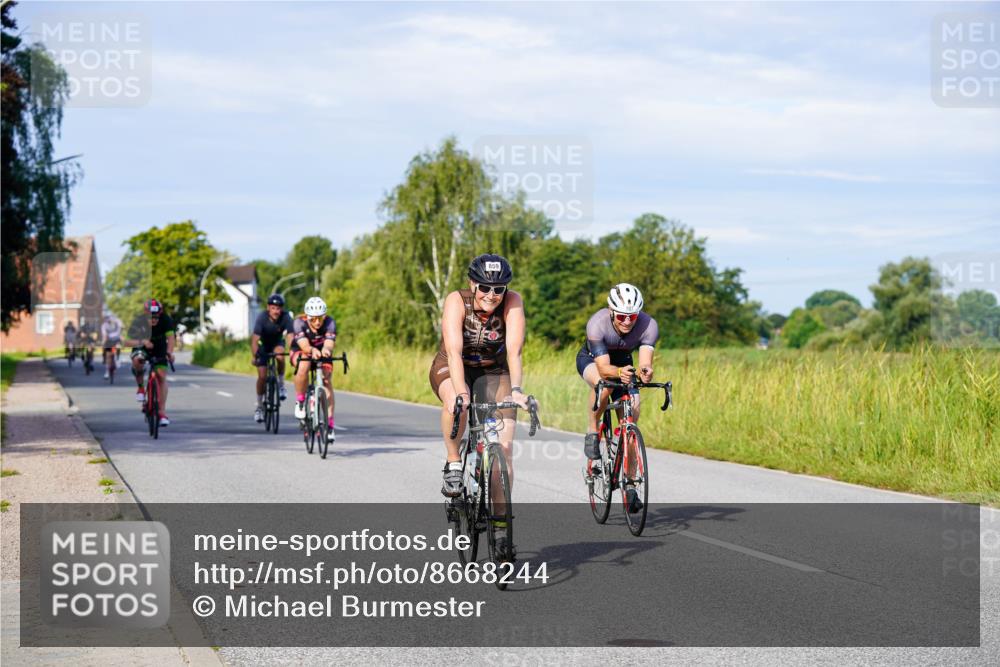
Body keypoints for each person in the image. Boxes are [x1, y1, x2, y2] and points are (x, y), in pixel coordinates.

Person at [429, 253, 529, 499]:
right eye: (484, 287)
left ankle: (500, 522)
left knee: (504, 450)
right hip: (454, 365)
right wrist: (462, 393)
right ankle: (453, 462)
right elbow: (454, 353)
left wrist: (516, 391)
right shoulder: (457, 300)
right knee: (457, 404)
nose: (491, 295)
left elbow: (514, 353)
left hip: (494, 370)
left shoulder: (513, 301)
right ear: (472, 284)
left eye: (498, 289)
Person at [575, 283, 659, 510]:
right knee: (605, 385)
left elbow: (644, 361)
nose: (627, 321)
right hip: (594, 360)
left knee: (633, 410)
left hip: (623, 361)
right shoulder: (597, 324)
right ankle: (593, 430)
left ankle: (630, 486)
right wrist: (619, 373)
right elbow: (604, 368)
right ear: (612, 311)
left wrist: (645, 371)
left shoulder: (649, 325)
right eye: (621, 316)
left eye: (632, 316)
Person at [290, 296, 337, 444]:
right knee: (303, 365)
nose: (317, 322)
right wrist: (311, 350)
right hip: (301, 350)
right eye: (314, 319)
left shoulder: (330, 322)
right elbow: (304, 345)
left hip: (322, 352)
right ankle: (301, 401)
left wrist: (326, 350)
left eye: (320, 319)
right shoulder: (298, 323)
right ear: (307, 317)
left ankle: (329, 424)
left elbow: (329, 343)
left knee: (326, 380)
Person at [128, 299, 176, 427]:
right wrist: (143, 342)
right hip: (141, 346)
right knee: (138, 360)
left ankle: (161, 412)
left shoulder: (166, 320)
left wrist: (170, 352)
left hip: (159, 347)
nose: (154, 320)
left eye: (156, 317)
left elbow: (171, 338)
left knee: (161, 376)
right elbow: (127, 342)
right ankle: (141, 388)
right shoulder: (138, 321)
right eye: (150, 317)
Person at [250, 294, 293, 422]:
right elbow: (254, 341)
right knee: (262, 376)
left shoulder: (286, 317)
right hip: (263, 345)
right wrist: (256, 356)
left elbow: (290, 336)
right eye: (273, 308)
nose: (276, 311)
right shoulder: (262, 318)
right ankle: (259, 407)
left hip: (277, 343)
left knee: (280, 356)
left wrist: (293, 350)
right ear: (268, 307)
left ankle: (281, 384)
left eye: (279, 308)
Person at [101, 313, 123, 378]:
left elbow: (121, 327)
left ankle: (117, 359)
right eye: (107, 319)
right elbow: (105, 335)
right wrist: (103, 343)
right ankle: (107, 372)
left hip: (116, 339)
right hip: (109, 340)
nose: (110, 320)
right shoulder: (104, 325)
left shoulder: (117, 322)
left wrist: (121, 335)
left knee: (118, 347)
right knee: (108, 356)